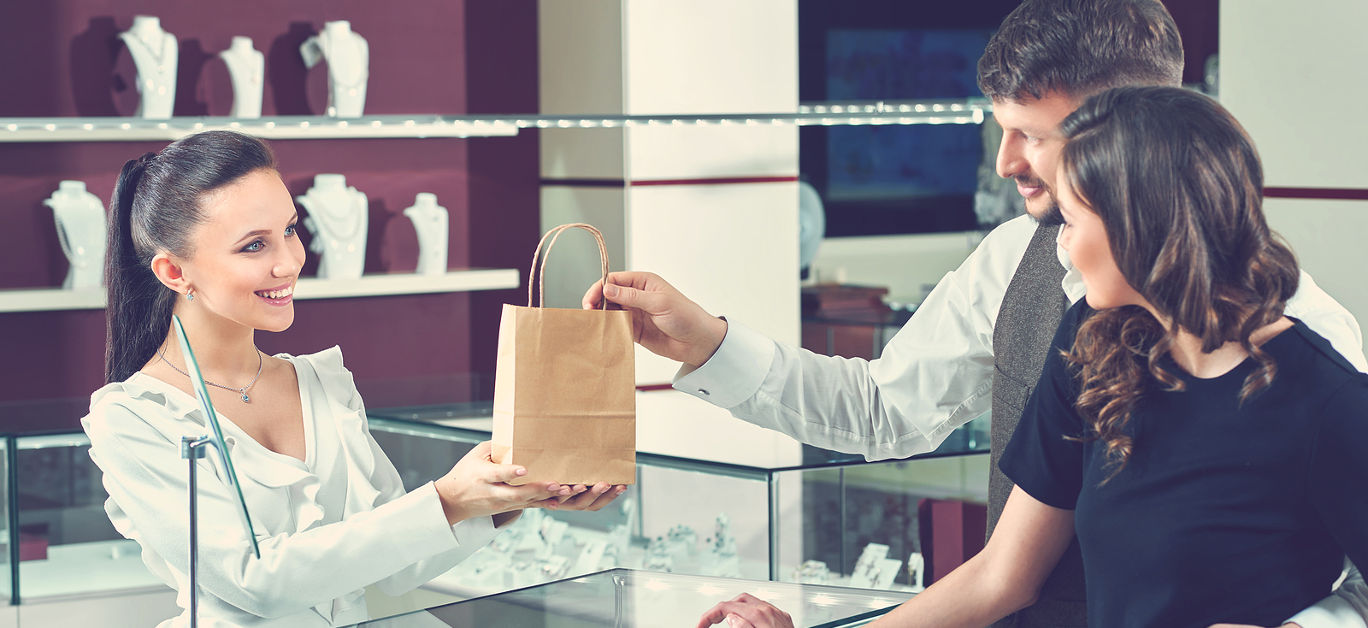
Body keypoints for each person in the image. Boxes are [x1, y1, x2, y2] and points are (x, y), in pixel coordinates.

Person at [587, 1, 1368, 627]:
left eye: (1032, 135)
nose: (1004, 164)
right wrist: (709, 345)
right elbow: (890, 416)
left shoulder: (1315, 353)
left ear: (1130, 137)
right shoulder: (1048, 290)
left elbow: (1340, 582)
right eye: (1001, 129)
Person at [847, 85, 1368, 627]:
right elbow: (1001, 576)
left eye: (1071, 219)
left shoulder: (1328, 401)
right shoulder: (1093, 343)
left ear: (1138, 227)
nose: (1062, 245)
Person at [83, 130, 624, 628]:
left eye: (290, 230)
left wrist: (504, 499)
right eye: (254, 245)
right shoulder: (133, 419)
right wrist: (448, 499)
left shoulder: (322, 382)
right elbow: (257, 583)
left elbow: (392, 567)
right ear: (174, 272)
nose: (289, 262)